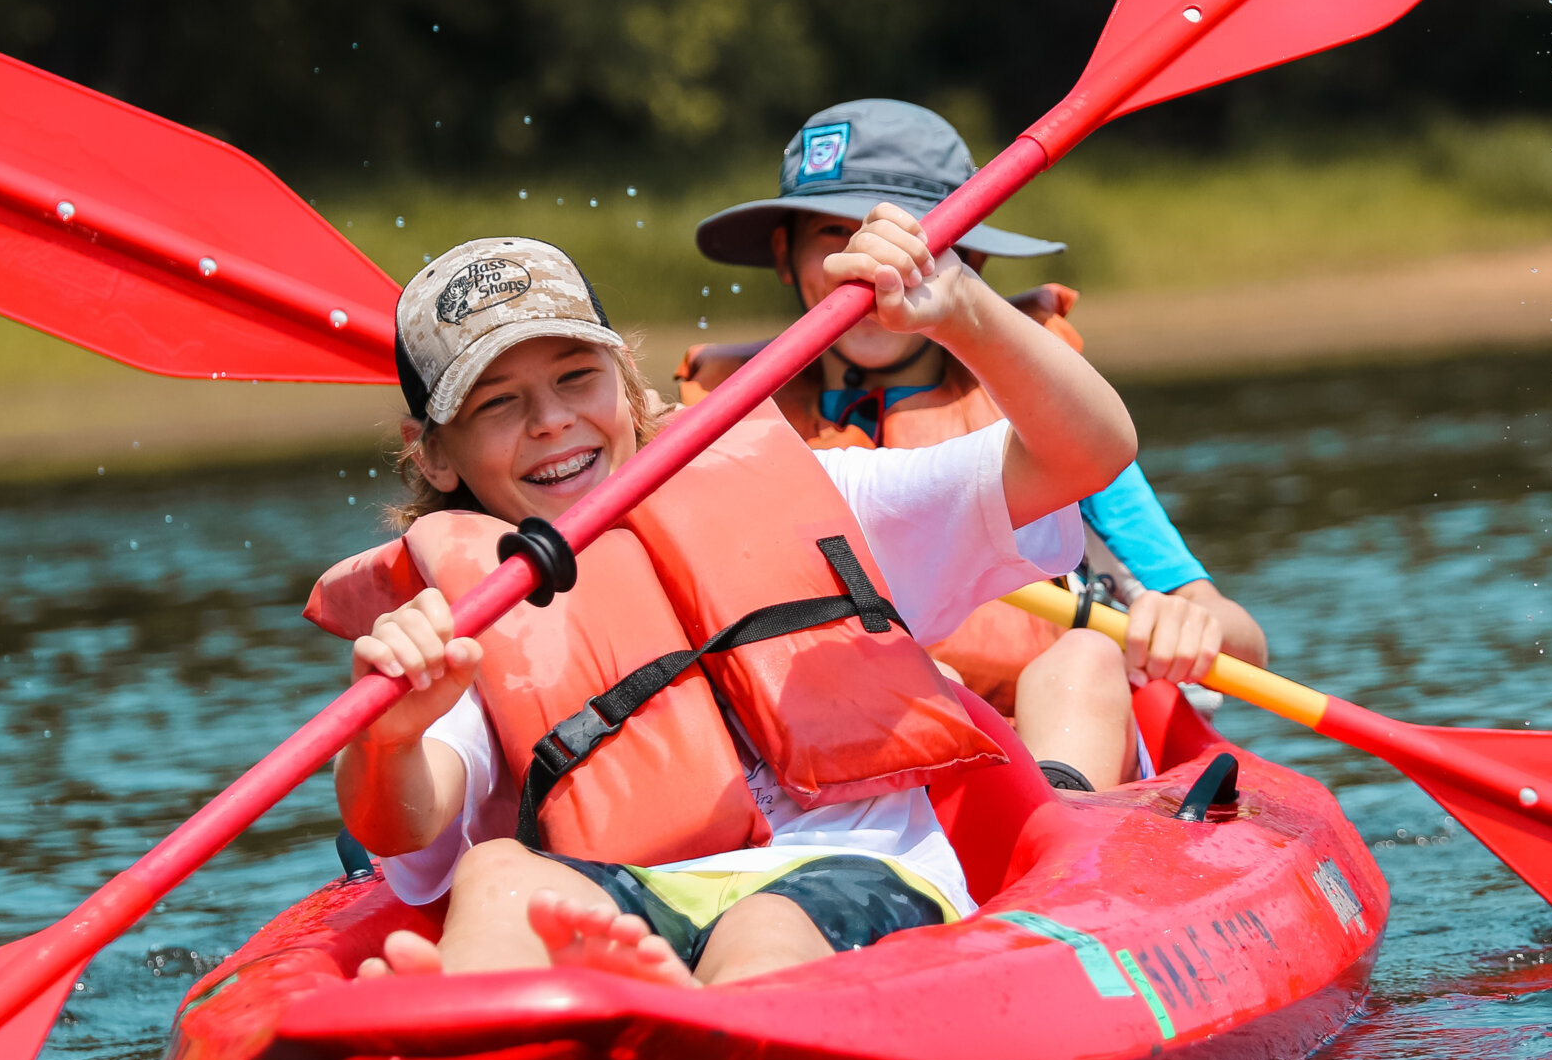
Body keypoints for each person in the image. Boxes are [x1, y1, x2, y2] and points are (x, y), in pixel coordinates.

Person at [324, 220, 1134, 988]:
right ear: (430, 453)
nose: (552, 422)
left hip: (856, 878)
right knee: (495, 873)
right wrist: (389, 736)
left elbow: (1088, 454)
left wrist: (965, 312)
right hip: (635, 894)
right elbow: (405, 824)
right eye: (498, 403)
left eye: (576, 377)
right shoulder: (467, 614)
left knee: (763, 925)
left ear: (628, 384)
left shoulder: (824, 499)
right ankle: (475, 1020)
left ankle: (690, 1013)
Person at [677, 99, 1267, 791]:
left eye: (900, 237)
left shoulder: (1047, 424)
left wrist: (1187, 624)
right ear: (785, 254)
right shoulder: (729, 427)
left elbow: (1243, 639)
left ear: (969, 255)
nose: (867, 266)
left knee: (1084, 657)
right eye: (834, 234)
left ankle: (1053, 829)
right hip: (841, 755)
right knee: (923, 679)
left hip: (1041, 752)